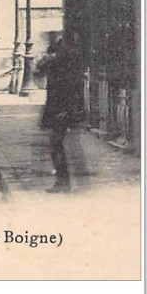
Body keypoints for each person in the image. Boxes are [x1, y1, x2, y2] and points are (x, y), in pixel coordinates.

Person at [38, 35, 82, 193]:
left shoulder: (63, 67)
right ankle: (63, 181)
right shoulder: (58, 66)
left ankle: (64, 182)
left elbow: (70, 90)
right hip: (58, 109)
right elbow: (39, 74)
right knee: (57, 145)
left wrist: (66, 110)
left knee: (57, 145)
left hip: (61, 110)